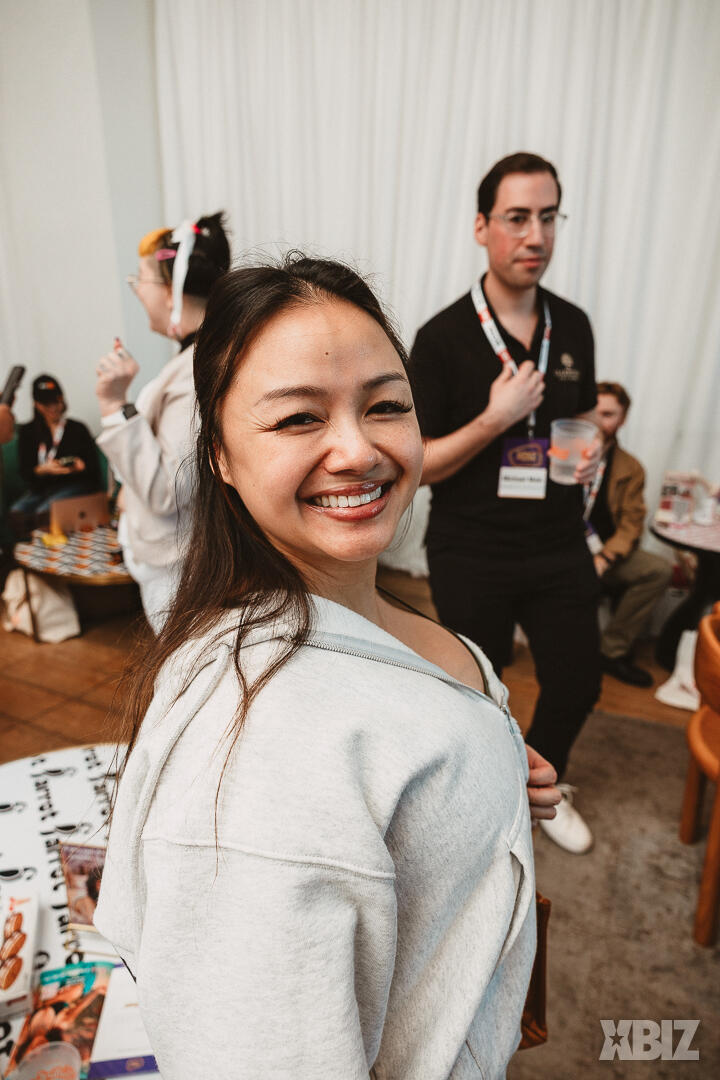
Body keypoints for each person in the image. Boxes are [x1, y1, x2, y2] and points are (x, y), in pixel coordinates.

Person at [95, 256, 561, 1080]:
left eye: (386, 405)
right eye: (298, 419)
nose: (358, 449)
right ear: (221, 456)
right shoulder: (255, 763)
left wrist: (482, 779)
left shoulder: (368, 616)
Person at [410, 152, 603, 855]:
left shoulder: (572, 326)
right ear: (481, 227)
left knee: (578, 679)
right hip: (471, 546)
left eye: (548, 217)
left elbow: (581, 422)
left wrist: (591, 450)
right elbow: (417, 465)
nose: (536, 236)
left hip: (556, 539)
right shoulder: (440, 339)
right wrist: (496, 418)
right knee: (477, 691)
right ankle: (486, 793)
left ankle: (539, 787)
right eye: (518, 218)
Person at [95, 213, 231, 632]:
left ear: (171, 292)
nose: (138, 292)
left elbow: (168, 490)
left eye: (141, 281)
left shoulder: (195, 371)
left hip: (179, 566)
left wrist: (114, 404)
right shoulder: (199, 355)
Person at [586, 381, 672, 687]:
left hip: (603, 551)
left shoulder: (631, 468)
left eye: (609, 414)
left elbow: (632, 522)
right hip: (559, 548)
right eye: (594, 412)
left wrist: (605, 557)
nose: (599, 421)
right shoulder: (559, 450)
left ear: (622, 419)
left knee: (658, 570)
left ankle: (611, 651)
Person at [11, 375, 101, 515]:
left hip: (74, 485)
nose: (53, 408)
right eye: (46, 404)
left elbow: (94, 469)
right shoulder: (28, 431)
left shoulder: (78, 428)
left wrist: (80, 466)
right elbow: (25, 471)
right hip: (42, 489)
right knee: (17, 512)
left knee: (44, 511)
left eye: (56, 402)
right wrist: (42, 469)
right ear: (37, 404)